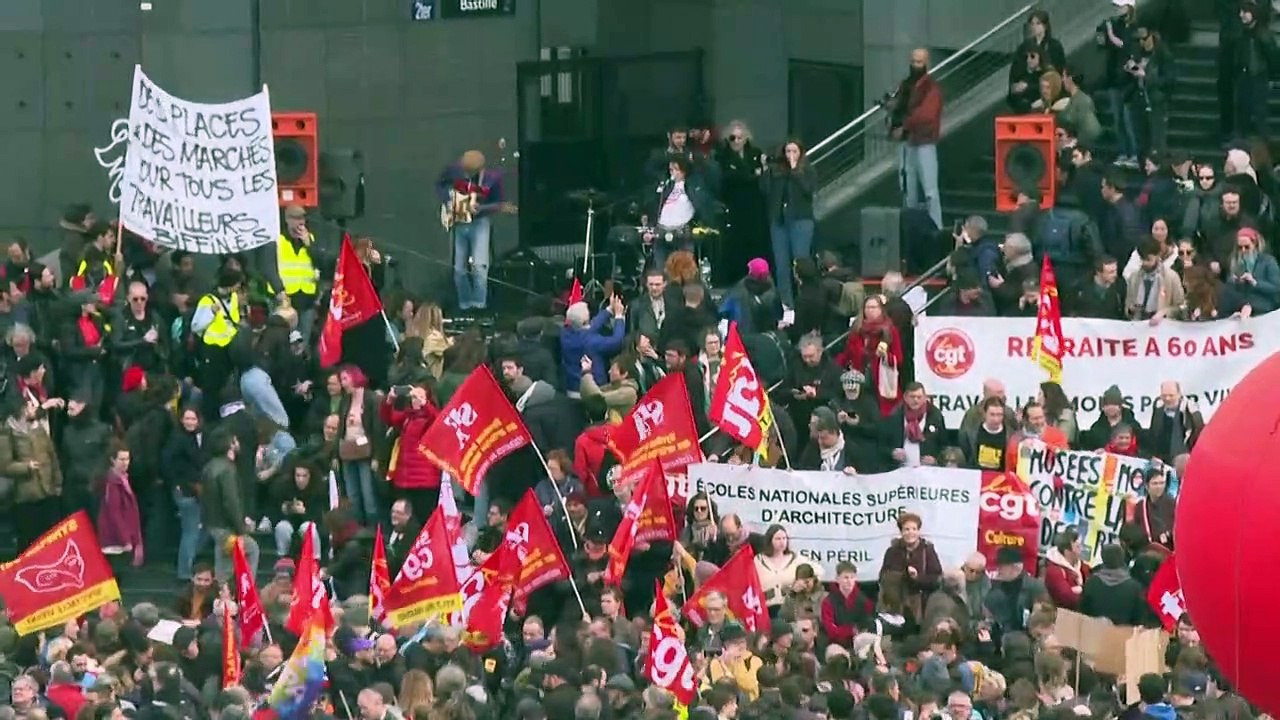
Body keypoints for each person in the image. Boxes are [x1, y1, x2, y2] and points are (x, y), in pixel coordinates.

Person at [436, 149, 513, 311]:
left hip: (479, 222)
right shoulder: (453, 170)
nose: (466, 174)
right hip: (458, 220)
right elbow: (440, 184)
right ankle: (465, 304)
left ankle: (479, 304)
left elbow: (498, 202)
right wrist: (448, 200)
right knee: (459, 268)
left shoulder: (492, 178)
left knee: (479, 266)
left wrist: (482, 208)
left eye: (469, 172)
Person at [891, 48, 943, 228]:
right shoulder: (906, 85)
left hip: (924, 142)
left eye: (919, 62)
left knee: (930, 191)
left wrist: (904, 125)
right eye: (913, 61)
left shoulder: (931, 88)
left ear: (927, 64)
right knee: (908, 188)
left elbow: (926, 116)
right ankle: (911, 227)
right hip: (909, 141)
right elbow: (900, 107)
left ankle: (936, 226)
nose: (915, 65)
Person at [761, 140, 816, 307]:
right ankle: (786, 304)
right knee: (781, 265)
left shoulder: (808, 170)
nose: (791, 155)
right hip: (779, 222)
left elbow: (808, 190)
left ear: (801, 153)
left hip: (801, 220)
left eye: (794, 151)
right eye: (788, 151)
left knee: (800, 264)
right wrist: (765, 170)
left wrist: (795, 171)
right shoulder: (777, 172)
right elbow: (765, 190)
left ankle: (804, 302)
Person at [835, 295, 904, 417]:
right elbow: (847, 354)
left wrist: (885, 356)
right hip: (859, 380)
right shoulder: (856, 330)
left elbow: (898, 358)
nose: (870, 311)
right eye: (867, 307)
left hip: (881, 381)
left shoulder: (890, 330)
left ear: (881, 309)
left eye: (873, 307)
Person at [880, 511, 943, 622]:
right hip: (896, 608)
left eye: (914, 529)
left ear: (919, 531)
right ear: (901, 532)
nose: (911, 533)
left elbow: (937, 579)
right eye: (907, 529)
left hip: (921, 609)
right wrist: (902, 576)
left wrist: (917, 578)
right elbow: (883, 577)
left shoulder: (927, 550)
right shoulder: (892, 551)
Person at [1043, 528, 1089, 610]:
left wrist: (1078, 590)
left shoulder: (1083, 568)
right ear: (1067, 551)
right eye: (1078, 547)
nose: (1081, 550)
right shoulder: (1054, 571)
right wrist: (1084, 592)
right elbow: (1068, 599)